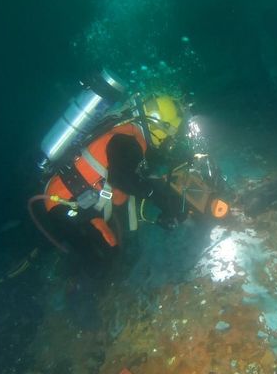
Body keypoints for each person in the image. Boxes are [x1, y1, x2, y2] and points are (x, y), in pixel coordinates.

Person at [40, 94, 190, 254]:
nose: (168, 143)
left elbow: (136, 179)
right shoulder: (128, 140)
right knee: (109, 253)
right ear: (160, 127)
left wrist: (168, 201)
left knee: (123, 209)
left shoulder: (127, 132)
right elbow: (123, 179)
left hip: (75, 197)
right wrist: (159, 199)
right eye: (169, 137)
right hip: (64, 202)